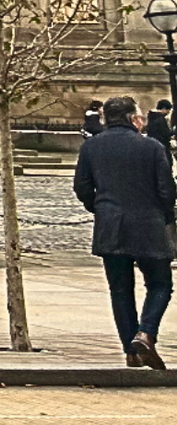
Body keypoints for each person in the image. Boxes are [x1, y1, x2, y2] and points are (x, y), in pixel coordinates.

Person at [72, 96, 176, 369]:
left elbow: (82, 187)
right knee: (160, 284)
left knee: (120, 289)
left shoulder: (91, 147)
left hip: (110, 225)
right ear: (133, 118)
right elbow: (167, 190)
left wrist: (100, 208)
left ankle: (131, 350)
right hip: (149, 224)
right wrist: (166, 216)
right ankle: (145, 333)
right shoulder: (152, 147)